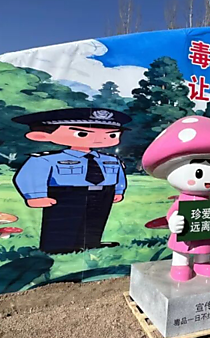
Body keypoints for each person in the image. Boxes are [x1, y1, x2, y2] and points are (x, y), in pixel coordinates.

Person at [12, 108, 131, 254]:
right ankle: (57, 247)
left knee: (96, 219)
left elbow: (119, 175)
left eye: (112, 135)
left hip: (103, 193)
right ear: (41, 135)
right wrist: (36, 196)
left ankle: (91, 243)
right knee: (63, 221)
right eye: (82, 134)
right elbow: (30, 175)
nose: (99, 139)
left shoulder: (110, 159)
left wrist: (118, 191)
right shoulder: (46, 159)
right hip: (67, 194)